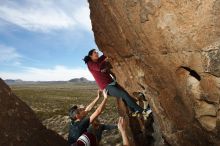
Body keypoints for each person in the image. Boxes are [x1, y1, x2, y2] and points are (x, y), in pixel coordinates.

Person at [83, 49, 152, 117]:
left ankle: (134, 111)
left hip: (111, 83)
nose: (97, 53)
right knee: (123, 94)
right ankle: (143, 111)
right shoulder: (90, 63)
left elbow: (104, 55)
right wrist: (105, 60)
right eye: (95, 53)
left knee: (124, 95)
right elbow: (98, 67)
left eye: (97, 52)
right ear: (90, 56)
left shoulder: (98, 61)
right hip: (106, 87)